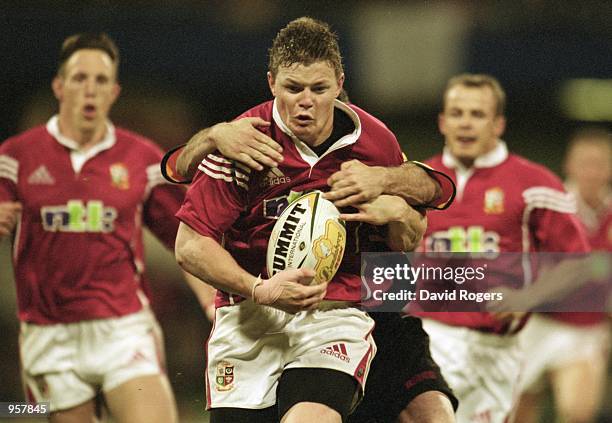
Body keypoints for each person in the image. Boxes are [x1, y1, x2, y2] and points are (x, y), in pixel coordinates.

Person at [173, 17, 455, 423]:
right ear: (271, 83)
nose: (306, 101)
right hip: (251, 315)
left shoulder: (374, 141)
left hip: (337, 316)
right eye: (293, 88)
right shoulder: (243, 140)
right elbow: (189, 244)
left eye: (319, 89)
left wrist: (389, 191)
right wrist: (261, 289)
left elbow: (426, 206)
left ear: (339, 83)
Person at [0, 33, 189, 422]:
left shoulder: (141, 157)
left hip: (123, 329)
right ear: (59, 86)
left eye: (100, 80)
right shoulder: (15, 156)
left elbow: (189, 234)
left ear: (114, 91)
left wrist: (216, 296)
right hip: (50, 335)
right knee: (25, 414)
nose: (90, 89)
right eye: (79, 78)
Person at [409, 74, 591, 423]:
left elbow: (580, 264)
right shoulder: (418, 180)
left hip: (491, 350)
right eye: (457, 113)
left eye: (477, 114)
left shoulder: (535, 184)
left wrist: (528, 296)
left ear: (498, 124)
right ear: (442, 122)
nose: (465, 123)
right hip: (427, 338)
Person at [515, 128, 612, 423]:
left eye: (599, 164)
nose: (591, 172)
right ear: (569, 165)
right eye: (585, 163)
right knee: (519, 413)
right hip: (537, 326)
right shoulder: (549, 208)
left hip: (586, 329)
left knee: (578, 413)